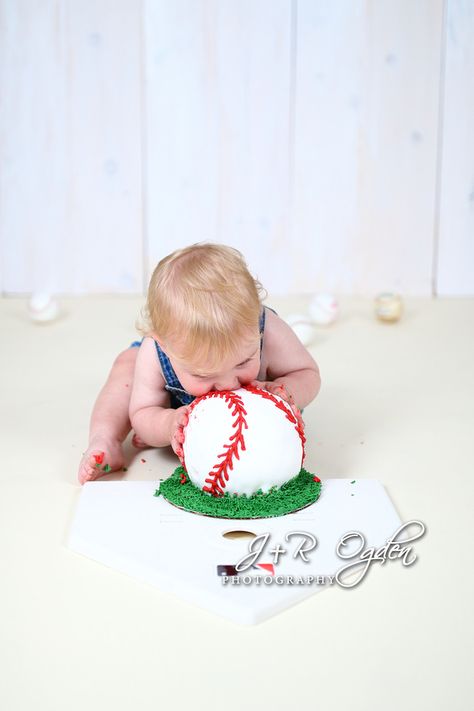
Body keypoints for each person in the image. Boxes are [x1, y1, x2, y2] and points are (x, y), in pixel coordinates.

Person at [78, 243, 321, 484]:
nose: (228, 384)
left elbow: (307, 373)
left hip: (253, 413)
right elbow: (142, 414)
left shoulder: (268, 329)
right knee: (126, 364)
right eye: (204, 375)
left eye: (243, 361)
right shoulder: (154, 351)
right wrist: (167, 425)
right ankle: (105, 440)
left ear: (255, 319)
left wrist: (285, 389)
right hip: (178, 410)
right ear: (165, 346)